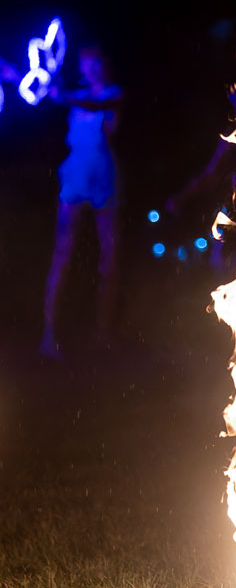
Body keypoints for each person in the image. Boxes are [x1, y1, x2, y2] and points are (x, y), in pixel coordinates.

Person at [40, 45, 123, 357]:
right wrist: (15, 74)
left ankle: (103, 334)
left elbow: (95, 103)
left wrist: (63, 95)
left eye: (97, 61)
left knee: (109, 259)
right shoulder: (76, 94)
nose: (92, 68)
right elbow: (45, 90)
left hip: (104, 175)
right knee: (62, 254)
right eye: (87, 63)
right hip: (75, 174)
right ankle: (49, 335)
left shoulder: (113, 93)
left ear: (104, 64)